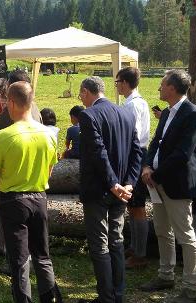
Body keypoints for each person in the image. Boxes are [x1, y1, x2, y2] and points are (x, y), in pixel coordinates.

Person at [0, 81, 62, 303]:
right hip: (39, 199)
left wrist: (8, 180)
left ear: (11, 102)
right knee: (43, 256)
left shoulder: (3, 136)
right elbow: (48, 174)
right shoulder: (48, 135)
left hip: (13, 201)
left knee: (19, 261)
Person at [77, 76, 142, 303]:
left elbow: (98, 152)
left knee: (100, 244)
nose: (80, 99)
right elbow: (137, 152)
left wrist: (114, 184)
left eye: (80, 94)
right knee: (116, 240)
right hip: (122, 190)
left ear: (86, 92)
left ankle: (106, 297)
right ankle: (118, 293)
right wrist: (129, 183)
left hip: (100, 190)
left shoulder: (88, 115)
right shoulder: (126, 113)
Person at [139, 70, 196, 303]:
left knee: (185, 235)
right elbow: (156, 142)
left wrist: (156, 173)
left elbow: (183, 154)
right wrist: (147, 166)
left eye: (162, 85)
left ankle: (191, 289)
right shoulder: (166, 113)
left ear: (172, 88)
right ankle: (165, 275)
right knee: (162, 230)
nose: (158, 88)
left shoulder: (193, 114)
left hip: (176, 184)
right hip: (156, 182)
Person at [0, 70, 43, 259]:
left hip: (12, 169)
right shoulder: (35, 108)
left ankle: (8, 250)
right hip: (33, 173)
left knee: (6, 213)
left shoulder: (12, 110)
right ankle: (6, 246)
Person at [115, 67, 151, 270]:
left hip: (134, 154)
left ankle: (140, 254)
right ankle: (135, 247)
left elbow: (132, 135)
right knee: (133, 205)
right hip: (136, 153)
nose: (117, 85)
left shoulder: (131, 106)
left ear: (125, 83)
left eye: (118, 82)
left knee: (137, 207)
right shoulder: (138, 102)